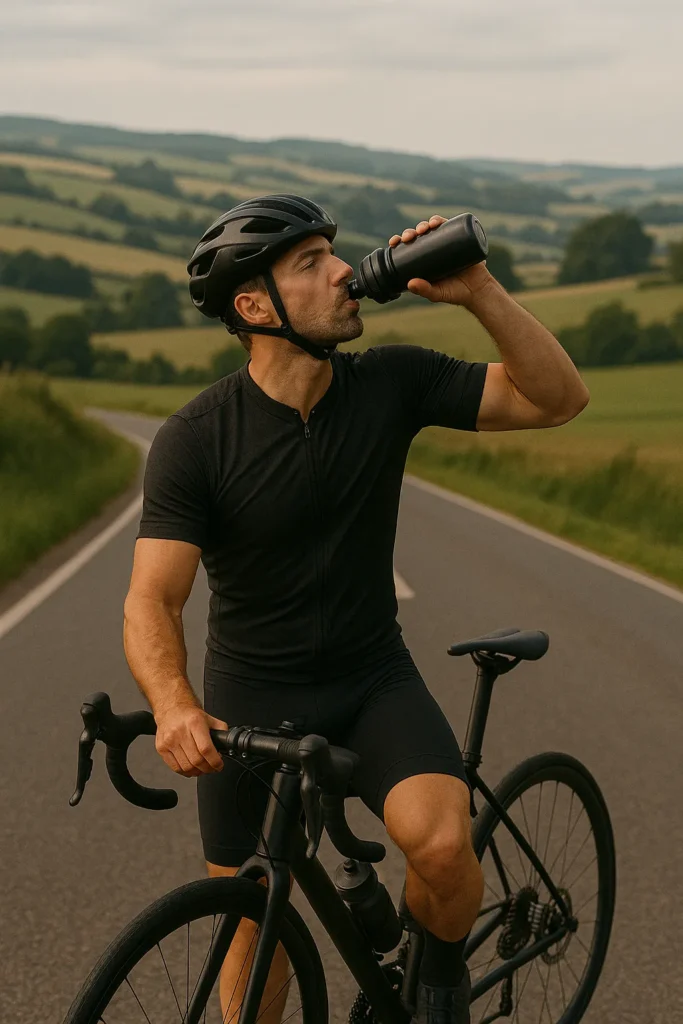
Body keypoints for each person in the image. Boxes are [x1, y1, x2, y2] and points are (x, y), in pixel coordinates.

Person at [123, 194, 589, 1024]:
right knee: (251, 925)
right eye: (310, 263)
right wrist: (173, 707)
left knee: (444, 848)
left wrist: (479, 289)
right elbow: (153, 599)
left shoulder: (392, 383)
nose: (344, 270)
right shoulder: (196, 438)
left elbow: (555, 399)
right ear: (254, 306)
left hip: (371, 679)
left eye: (332, 252)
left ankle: (436, 999)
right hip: (250, 697)